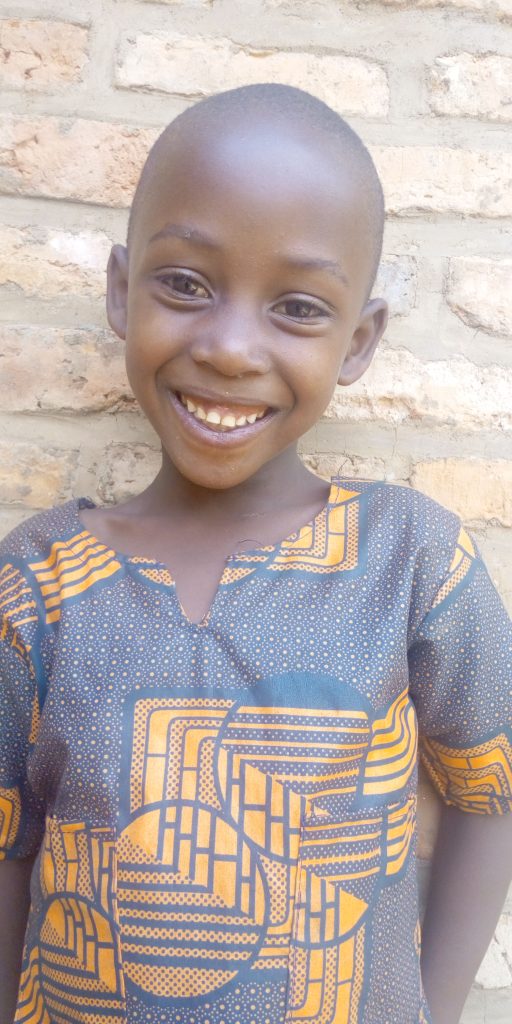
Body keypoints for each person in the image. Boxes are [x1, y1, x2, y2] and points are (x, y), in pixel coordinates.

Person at [0, 84, 510, 1024]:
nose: (232, 348)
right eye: (186, 285)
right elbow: (9, 842)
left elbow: (493, 792)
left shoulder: (413, 563)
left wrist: (432, 1008)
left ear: (358, 342)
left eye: (299, 307)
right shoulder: (39, 581)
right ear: (120, 293)